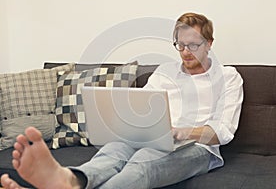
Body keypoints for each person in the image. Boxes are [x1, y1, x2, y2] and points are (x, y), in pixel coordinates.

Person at [0, 12, 243, 189]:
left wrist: (183, 132)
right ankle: (70, 180)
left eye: (193, 45)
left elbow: (223, 131)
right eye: (180, 45)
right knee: (112, 152)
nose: (186, 52)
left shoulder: (228, 77)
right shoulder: (165, 72)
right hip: (152, 139)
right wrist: (128, 123)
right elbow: (142, 107)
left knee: (142, 163)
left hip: (198, 149)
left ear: (209, 44)